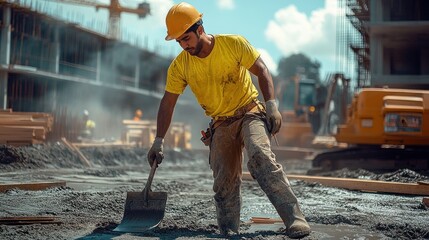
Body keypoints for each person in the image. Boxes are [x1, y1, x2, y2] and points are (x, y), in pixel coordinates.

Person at [147, 2, 311, 238]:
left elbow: (262, 70)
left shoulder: (233, 44)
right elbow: (168, 102)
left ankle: (295, 219)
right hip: (221, 123)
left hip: (250, 112)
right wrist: (158, 140)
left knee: (260, 156)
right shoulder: (180, 66)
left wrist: (272, 105)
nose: (184, 45)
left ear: (200, 29)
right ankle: (229, 229)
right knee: (224, 178)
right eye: (179, 41)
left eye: (186, 38)